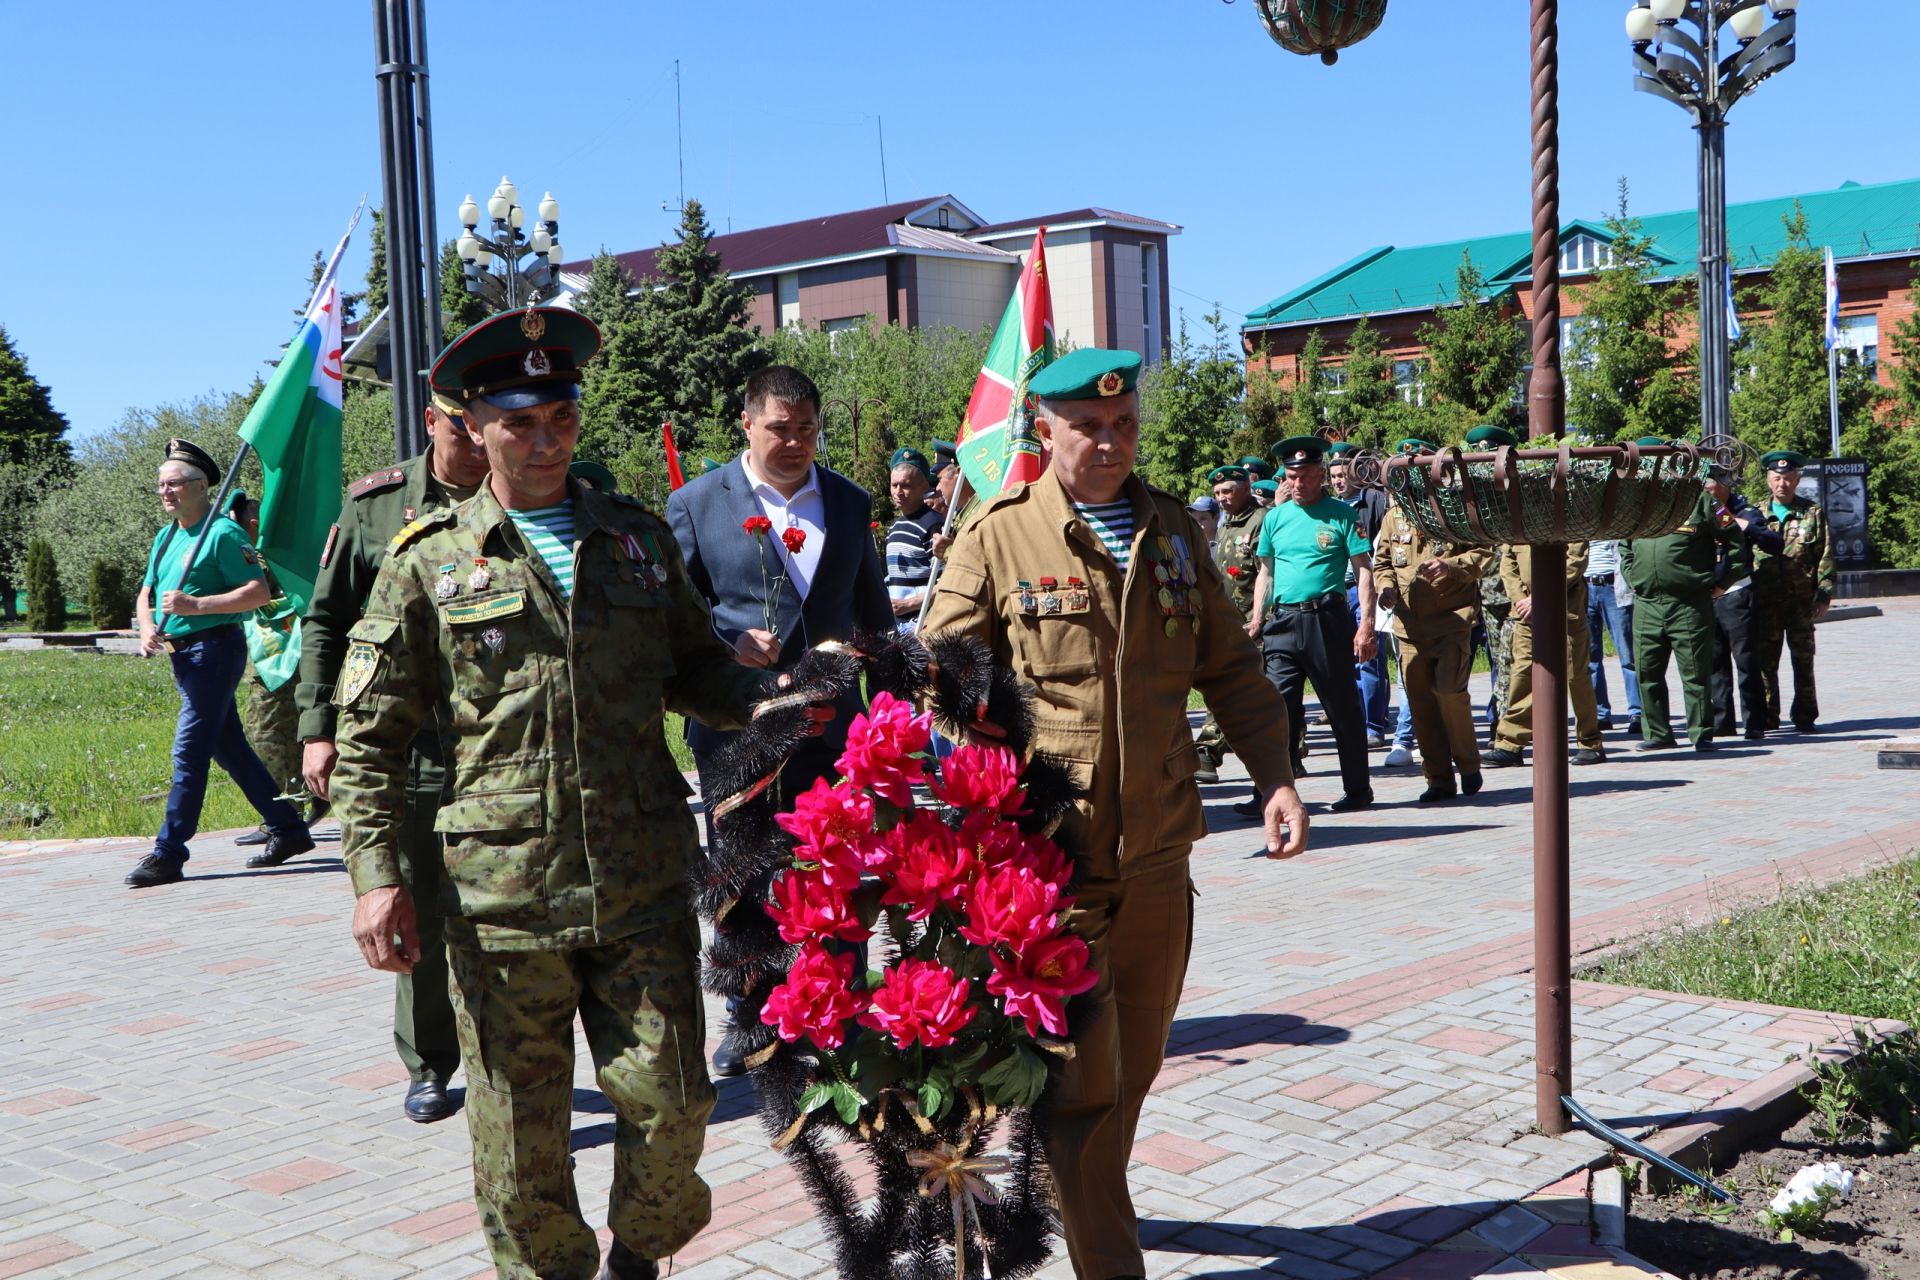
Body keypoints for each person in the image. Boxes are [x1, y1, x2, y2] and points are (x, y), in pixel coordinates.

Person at [331, 307, 806, 1280]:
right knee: (520, 1146)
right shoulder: (426, 561)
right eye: (520, 422)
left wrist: (793, 695)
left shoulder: (634, 541)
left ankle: (639, 1255)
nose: (544, 440)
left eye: (560, 417)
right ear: (473, 425)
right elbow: (367, 738)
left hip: (641, 886)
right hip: (502, 903)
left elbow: (696, 671)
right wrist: (375, 875)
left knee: (675, 1101)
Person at [922, 347, 1307, 1280]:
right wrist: (980, 797)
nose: (1108, 440)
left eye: (1123, 423)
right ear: (1043, 431)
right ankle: (1109, 1261)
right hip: (1053, 866)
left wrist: (1276, 776)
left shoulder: (1173, 532)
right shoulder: (998, 534)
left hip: (1159, 855)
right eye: (1087, 426)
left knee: (1131, 1074)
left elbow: (1232, 671)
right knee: (1086, 1090)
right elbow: (939, 681)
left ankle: (1076, 1203)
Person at [666, 364, 893, 1077]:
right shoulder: (697, 504)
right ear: (746, 423)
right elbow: (671, 618)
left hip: (833, 728)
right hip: (739, 729)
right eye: (778, 429)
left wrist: (886, 693)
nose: (794, 443)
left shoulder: (850, 503)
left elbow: (873, 611)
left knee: (838, 870)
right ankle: (748, 1014)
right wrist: (724, 644)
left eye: (806, 430)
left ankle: (839, 1008)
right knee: (740, 875)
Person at [296, 391, 489, 1124]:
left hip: (507, 744)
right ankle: (431, 1062)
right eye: (462, 428)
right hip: (412, 746)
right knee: (420, 905)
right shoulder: (376, 507)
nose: (478, 443)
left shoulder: (535, 490)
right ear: (434, 422)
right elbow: (327, 619)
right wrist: (319, 728)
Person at [123, 441, 313, 889]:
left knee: (188, 752)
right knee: (230, 750)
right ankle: (289, 829)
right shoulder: (166, 536)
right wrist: (146, 627)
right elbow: (146, 593)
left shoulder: (224, 535)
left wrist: (196, 604)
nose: (166, 492)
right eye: (161, 486)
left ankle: (169, 853)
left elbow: (258, 592)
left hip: (215, 650)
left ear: (201, 485)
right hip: (183, 657)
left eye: (174, 484)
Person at [1249, 435, 1378, 812]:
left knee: (1342, 707)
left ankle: (1357, 790)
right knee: (1276, 710)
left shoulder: (1342, 514)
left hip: (1326, 621)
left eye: (1305, 476)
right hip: (1284, 623)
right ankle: (1270, 792)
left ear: (1320, 474)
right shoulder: (1275, 518)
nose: (1298, 484)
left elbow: (1364, 571)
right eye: (1291, 476)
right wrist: (1257, 618)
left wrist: (1365, 624)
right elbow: (1266, 574)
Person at [1479, 431, 1605, 768]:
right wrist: (1523, 599)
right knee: (1522, 674)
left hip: (1565, 611)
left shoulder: (1572, 512)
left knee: (1575, 676)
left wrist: (1540, 598)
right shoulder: (1519, 513)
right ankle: (1509, 743)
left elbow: (1575, 563)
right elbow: (1507, 560)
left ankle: (1589, 741)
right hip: (1528, 614)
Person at [1371, 441, 1490, 801]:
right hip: (1409, 629)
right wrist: (1386, 588)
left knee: (1450, 695)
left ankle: (1468, 765)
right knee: (1422, 706)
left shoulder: (1455, 507)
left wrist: (1450, 567)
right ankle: (1438, 780)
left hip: (1451, 622)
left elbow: (1483, 552)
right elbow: (1382, 562)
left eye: (1418, 469)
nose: (1410, 477)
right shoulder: (1395, 515)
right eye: (1404, 471)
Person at [1619, 444, 1742, 753]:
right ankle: (1657, 732)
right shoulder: (1639, 507)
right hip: (1647, 604)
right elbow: (1624, 547)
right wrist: (1634, 578)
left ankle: (1701, 734)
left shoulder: (1703, 503)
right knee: (1646, 670)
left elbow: (1737, 545)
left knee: (1695, 673)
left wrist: (1720, 584)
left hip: (1689, 603)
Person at [226, 491, 309, 849]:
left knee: (266, 734)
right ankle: (298, 805)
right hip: (274, 659)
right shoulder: (261, 554)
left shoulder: (267, 556)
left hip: (282, 658)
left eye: (235, 521)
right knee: (286, 733)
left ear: (254, 523)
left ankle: (284, 815)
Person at [1192, 463, 1267, 785]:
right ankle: (1292, 751)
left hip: (1255, 623)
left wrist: (1259, 618)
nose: (1222, 498)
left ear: (1245, 489)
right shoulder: (1225, 525)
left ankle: (1208, 751)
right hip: (1228, 622)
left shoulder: (1262, 520)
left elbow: (1268, 572)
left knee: (1239, 691)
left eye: (1228, 491)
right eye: (1217, 493)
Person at [1751, 450, 1835, 733]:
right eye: (1776, 478)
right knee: (1765, 664)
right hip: (1765, 602)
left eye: (1787, 478)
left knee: (1803, 659)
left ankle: (1805, 715)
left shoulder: (1812, 513)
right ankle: (1768, 716)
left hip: (1801, 602)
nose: (1782, 484)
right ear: (1768, 480)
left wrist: (1823, 594)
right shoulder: (1756, 514)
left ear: (1797, 479)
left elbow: (1825, 555)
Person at [1705, 462, 1782, 740]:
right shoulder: (1700, 510)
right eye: (1705, 491)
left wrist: (1742, 525)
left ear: (1725, 487)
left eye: (1713, 490)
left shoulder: (1745, 511)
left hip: (1737, 594)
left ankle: (1754, 722)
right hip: (1708, 596)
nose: (1709, 497)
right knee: (1714, 664)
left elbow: (1772, 542)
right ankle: (1722, 722)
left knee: (1747, 663)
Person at [1583, 538, 1640, 735]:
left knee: (1628, 655)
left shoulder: (1614, 517)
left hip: (1613, 587)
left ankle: (1637, 713)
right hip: (1585, 589)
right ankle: (1600, 714)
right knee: (1591, 659)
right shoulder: (1579, 522)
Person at [883, 446, 942, 629]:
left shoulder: (934, 525)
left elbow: (946, 584)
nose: (898, 492)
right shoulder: (895, 527)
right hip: (897, 628)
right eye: (894, 485)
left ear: (924, 486)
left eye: (906, 485)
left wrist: (908, 604)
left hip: (922, 627)